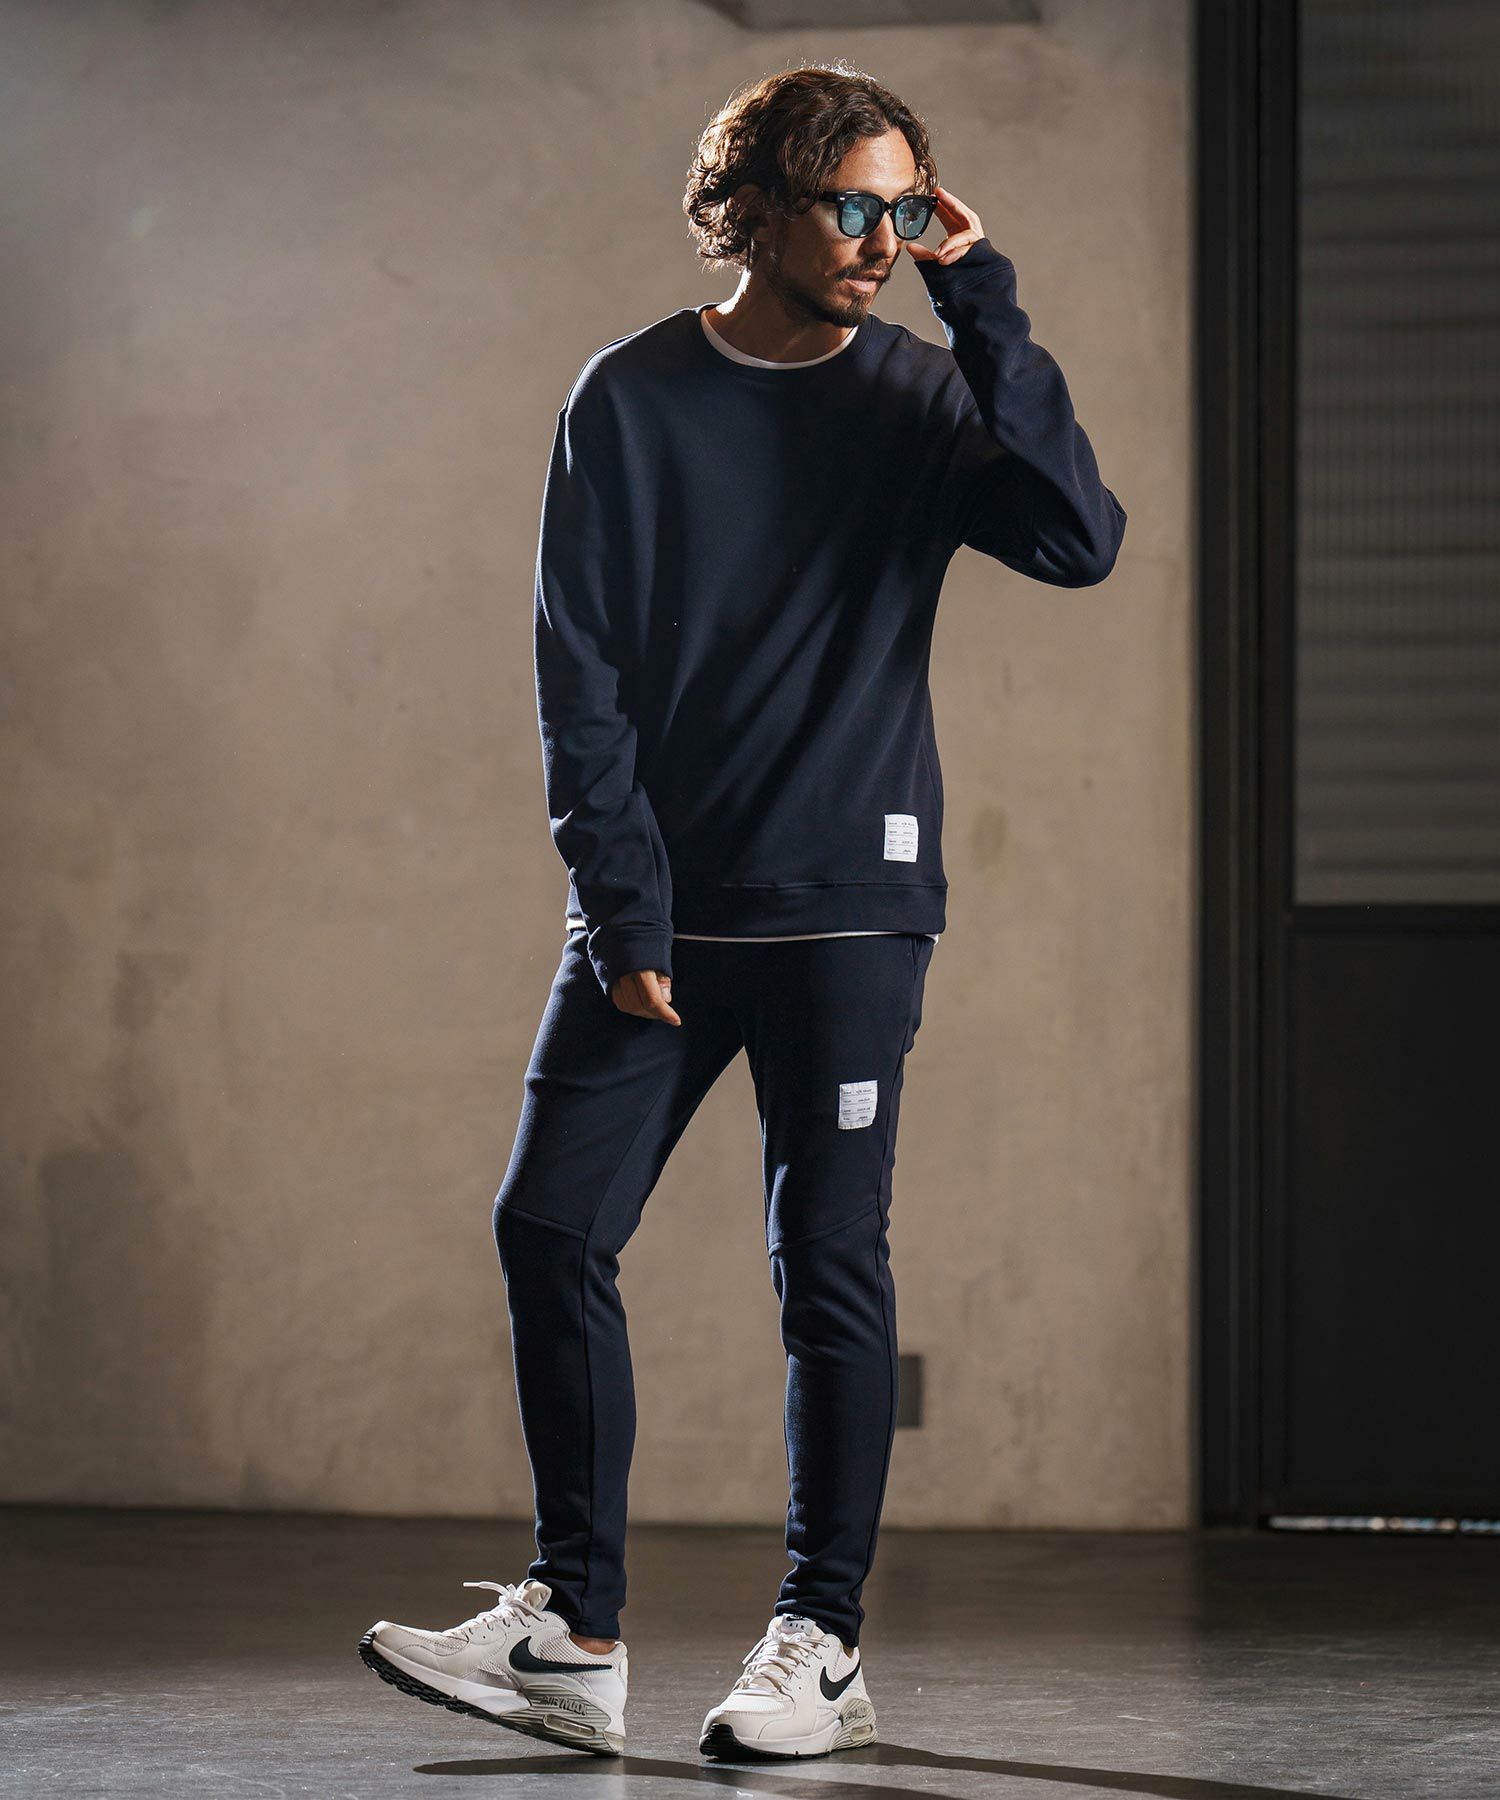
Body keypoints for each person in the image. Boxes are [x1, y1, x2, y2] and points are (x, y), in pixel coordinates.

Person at [360, 60, 1126, 1762]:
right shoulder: (629, 397)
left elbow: (1081, 538)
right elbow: (580, 674)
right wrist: (623, 906)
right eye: (851, 204)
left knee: (827, 1264)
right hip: (663, 914)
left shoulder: (921, 395)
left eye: (903, 209)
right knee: (551, 1226)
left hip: (853, 905)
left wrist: (983, 296)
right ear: (754, 209)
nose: (880, 239)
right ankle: (573, 1633)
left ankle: (821, 1642)